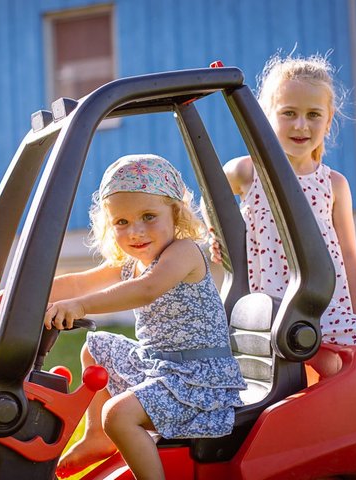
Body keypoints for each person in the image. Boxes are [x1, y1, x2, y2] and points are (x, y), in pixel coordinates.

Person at [210, 52, 356, 480]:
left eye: (313, 115)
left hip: (326, 308)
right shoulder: (246, 172)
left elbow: (347, 253)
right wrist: (215, 238)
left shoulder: (333, 184)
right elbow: (209, 205)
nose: (300, 126)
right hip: (276, 310)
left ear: (329, 120)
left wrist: (353, 310)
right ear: (265, 116)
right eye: (288, 113)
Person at [44, 154, 246, 480]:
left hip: (196, 380)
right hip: (157, 367)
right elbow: (79, 281)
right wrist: (22, 294)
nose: (136, 232)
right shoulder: (131, 260)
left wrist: (80, 305)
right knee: (94, 347)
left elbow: (147, 289)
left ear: (176, 214)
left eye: (148, 216)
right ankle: (96, 437)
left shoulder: (183, 252)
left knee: (118, 415)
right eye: (121, 222)